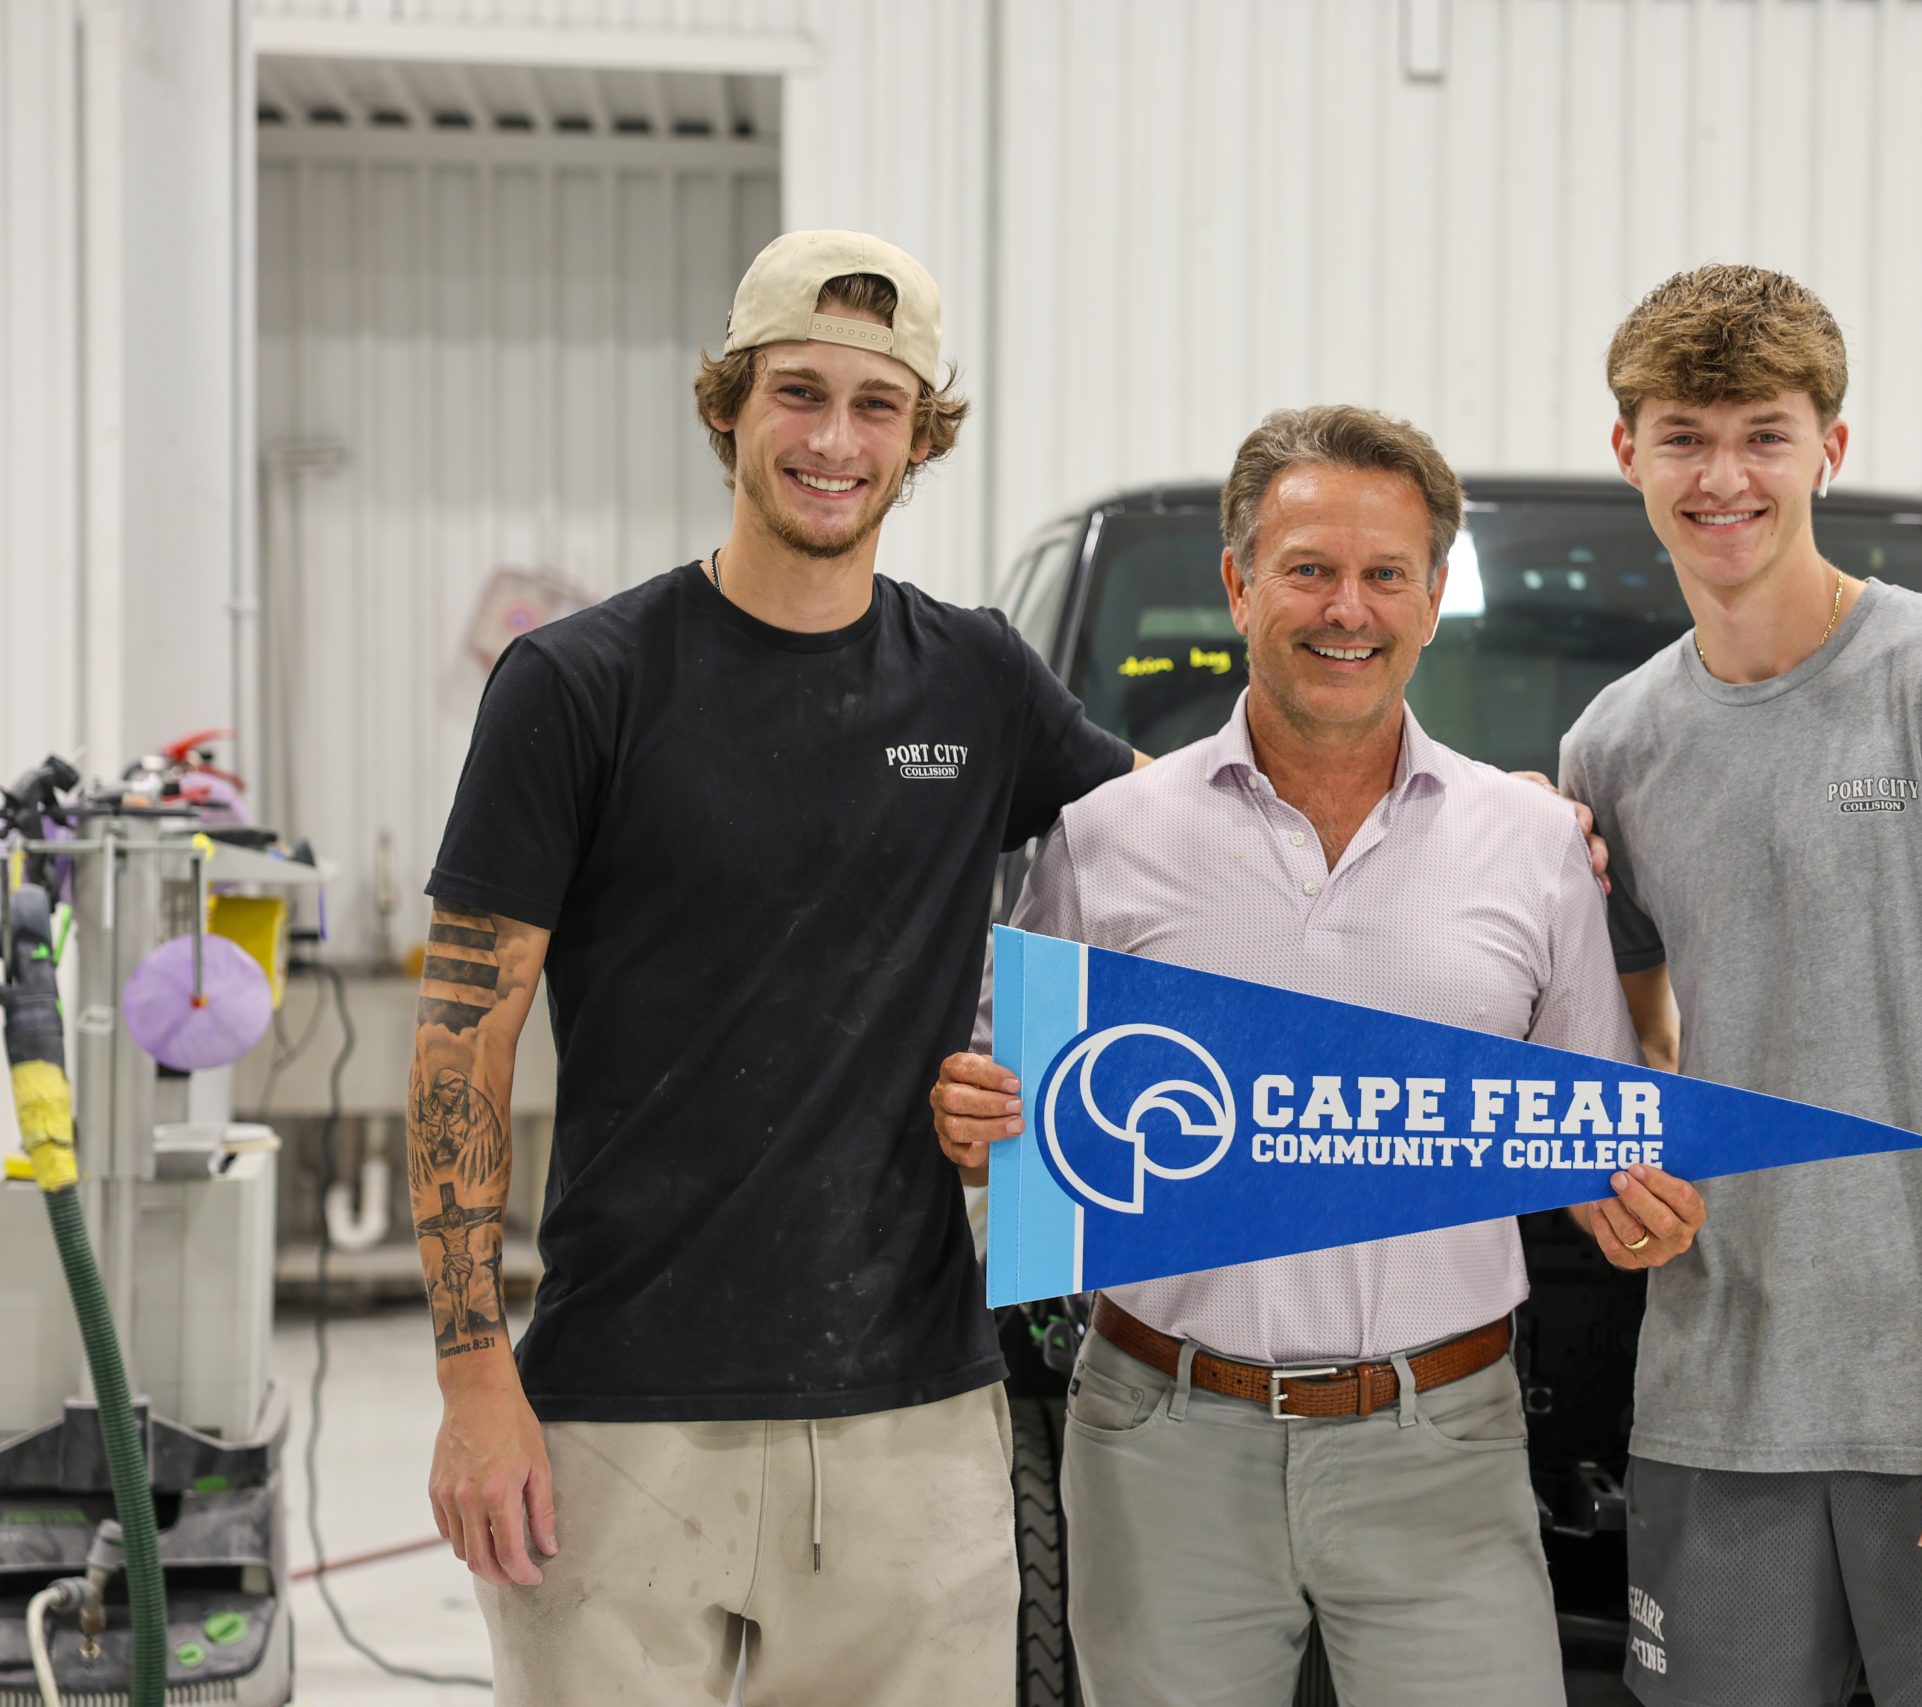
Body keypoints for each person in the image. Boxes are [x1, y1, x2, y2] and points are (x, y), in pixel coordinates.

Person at [407, 229, 1135, 1705]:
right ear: (729, 402)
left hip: (914, 1414)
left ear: (922, 438)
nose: (833, 440)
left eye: (879, 407)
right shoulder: (577, 685)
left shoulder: (978, 680)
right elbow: (458, 1046)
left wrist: (1509, 827)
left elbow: (1196, 858)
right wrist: (475, 1379)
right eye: (798, 393)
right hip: (621, 1411)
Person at [931, 404, 1705, 1707]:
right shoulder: (1107, 840)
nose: (1347, 609)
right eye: (1309, 570)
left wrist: (1641, 1205)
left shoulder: (1530, 849)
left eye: (1383, 575)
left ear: (1432, 596)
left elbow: (1600, 1135)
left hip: (1444, 1445)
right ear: (1240, 585)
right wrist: (973, 1111)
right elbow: (1018, 1112)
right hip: (1160, 1441)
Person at [1559, 264, 1922, 1706]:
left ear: (1831, 449)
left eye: (1763, 431)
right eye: (1685, 433)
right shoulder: (1611, 748)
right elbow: (1635, 1057)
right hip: (1715, 1418)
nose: (1723, 474)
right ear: (1628, 451)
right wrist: (1619, 1182)